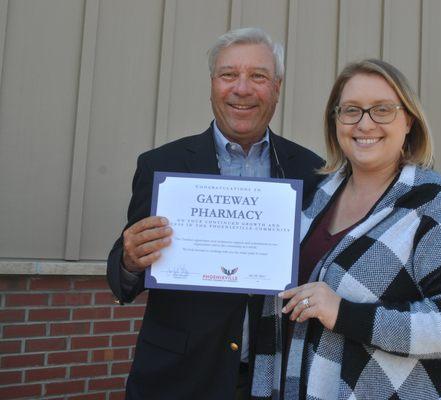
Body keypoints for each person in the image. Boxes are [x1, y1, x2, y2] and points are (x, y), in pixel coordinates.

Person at [251, 59, 441, 400]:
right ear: (335, 120)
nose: (365, 124)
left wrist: (345, 313)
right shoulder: (314, 197)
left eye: (382, 110)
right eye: (351, 110)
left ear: (408, 120)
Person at [107, 27, 324, 400]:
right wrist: (129, 259)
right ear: (212, 84)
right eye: (229, 75)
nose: (242, 89)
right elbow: (124, 282)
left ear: (277, 87)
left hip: (273, 377)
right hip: (179, 377)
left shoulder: (311, 171)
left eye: (258, 76)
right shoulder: (163, 165)